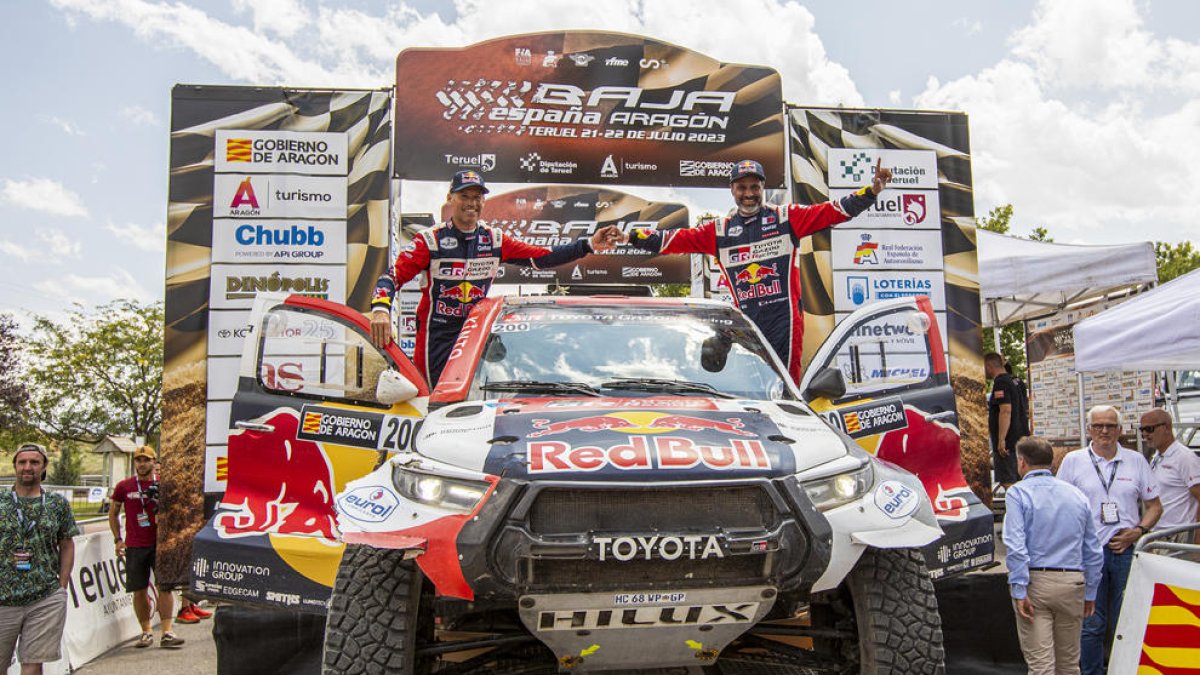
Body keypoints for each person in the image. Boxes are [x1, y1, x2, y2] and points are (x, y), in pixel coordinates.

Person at [618, 158, 892, 382]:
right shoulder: (719, 231)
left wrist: (872, 191)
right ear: (732, 190)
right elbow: (671, 241)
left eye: (754, 187)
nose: (749, 194)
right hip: (747, 323)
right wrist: (629, 237)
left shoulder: (786, 218)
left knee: (784, 383)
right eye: (742, 188)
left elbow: (834, 211)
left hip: (784, 321)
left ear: (762, 188)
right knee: (752, 386)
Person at [369, 169, 622, 386]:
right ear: (450, 199)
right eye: (464, 196)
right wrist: (381, 309)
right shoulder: (430, 241)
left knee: (472, 398)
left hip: (474, 334)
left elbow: (542, 257)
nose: (471, 203)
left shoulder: (494, 240)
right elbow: (391, 277)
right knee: (432, 396)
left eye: (477, 197)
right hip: (436, 335)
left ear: (483, 201)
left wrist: (588, 244)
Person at [1056, 405, 1162, 675]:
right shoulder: (1073, 461)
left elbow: (1155, 507)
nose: (1105, 431)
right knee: (1091, 623)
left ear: (1120, 430)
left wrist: (1138, 530)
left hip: (1126, 551)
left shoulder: (1136, 460)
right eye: (1099, 425)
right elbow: (1060, 506)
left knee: (1126, 621)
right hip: (1088, 554)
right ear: (1089, 429)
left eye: (1111, 426)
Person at [1004, 436, 1103, 675]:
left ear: (1021, 462)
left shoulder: (1018, 493)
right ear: (1052, 463)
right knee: (1069, 664)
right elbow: (1093, 549)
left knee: (1041, 665)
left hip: (1036, 581)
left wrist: (1019, 588)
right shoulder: (1076, 494)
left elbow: (1016, 545)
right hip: (1073, 582)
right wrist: (1090, 590)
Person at [0, 443, 78, 674]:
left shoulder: (57, 504)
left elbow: (66, 544)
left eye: (34, 462)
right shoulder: (2, 500)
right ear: (15, 466)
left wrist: (61, 587)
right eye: (22, 462)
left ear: (44, 466)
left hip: (44, 597)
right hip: (3, 598)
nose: (27, 467)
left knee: (33, 666)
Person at [109, 446, 184, 649]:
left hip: (160, 544)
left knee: (164, 588)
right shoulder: (124, 486)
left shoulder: (163, 486)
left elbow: (178, 513)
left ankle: (167, 631)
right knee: (139, 590)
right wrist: (118, 539)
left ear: (154, 462)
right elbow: (113, 512)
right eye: (138, 460)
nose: (142, 464)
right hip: (135, 545)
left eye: (146, 460)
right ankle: (146, 631)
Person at [1141, 408, 1200, 543]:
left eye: (1149, 429)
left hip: (1179, 535)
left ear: (1166, 427)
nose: (1145, 435)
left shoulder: (1184, 457)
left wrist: (1198, 541)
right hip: (1159, 534)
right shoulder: (1157, 456)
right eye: (1142, 430)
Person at [987, 352, 1030, 490]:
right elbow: (1026, 410)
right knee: (1021, 480)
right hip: (1021, 439)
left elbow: (1005, 410)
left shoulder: (1000, 382)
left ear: (988, 366)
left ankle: (1014, 510)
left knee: (1008, 483)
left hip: (1008, 444)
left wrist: (1001, 439)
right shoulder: (1017, 381)